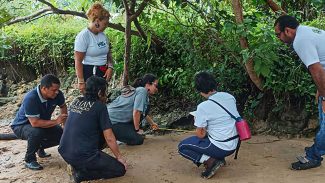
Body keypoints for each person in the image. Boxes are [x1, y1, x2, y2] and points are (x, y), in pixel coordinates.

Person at [274, 15, 325, 170]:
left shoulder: (301, 40)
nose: (278, 38)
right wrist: (320, 90)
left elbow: (316, 71)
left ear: (288, 31)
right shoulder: (309, 31)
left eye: (278, 34)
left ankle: (313, 156)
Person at [59, 76, 126, 183]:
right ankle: (80, 175)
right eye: (105, 92)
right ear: (100, 92)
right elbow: (109, 138)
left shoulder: (77, 101)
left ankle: (78, 165)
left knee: (98, 134)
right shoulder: (100, 107)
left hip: (64, 150)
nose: (106, 96)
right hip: (81, 154)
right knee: (120, 169)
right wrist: (119, 157)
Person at [178, 72, 239, 179]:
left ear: (200, 90)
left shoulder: (203, 107)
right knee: (215, 132)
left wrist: (198, 121)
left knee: (182, 147)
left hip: (221, 146)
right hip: (234, 143)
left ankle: (211, 161)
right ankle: (217, 157)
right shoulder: (229, 97)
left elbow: (201, 135)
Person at [11, 74, 67, 170]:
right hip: (21, 126)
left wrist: (64, 124)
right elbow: (35, 123)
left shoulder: (57, 94)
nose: (57, 92)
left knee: (62, 134)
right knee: (36, 132)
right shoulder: (31, 98)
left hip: (41, 123)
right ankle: (29, 159)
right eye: (54, 90)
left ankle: (39, 147)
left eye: (58, 90)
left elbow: (63, 106)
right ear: (44, 88)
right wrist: (57, 121)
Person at [107, 74, 159, 145]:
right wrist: (137, 130)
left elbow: (141, 112)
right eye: (156, 86)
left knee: (138, 136)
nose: (157, 89)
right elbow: (137, 112)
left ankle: (124, 134)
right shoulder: (142, 91)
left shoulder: (141, 92)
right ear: (148, 84)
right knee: (138, 140)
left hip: (116, 120)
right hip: (112, 121)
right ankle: (113, 136)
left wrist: (152, 123)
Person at [75, 2, 114, 93]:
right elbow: (78, 60)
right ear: (97, 21)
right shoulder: (83, 36)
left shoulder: (103, 36)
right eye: (105, 23)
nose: (106, 26)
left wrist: (110, 67)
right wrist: (81, 81)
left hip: (102, 72)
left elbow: (108, 53)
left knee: (102, 97)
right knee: (92, 99)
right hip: (89, 73)